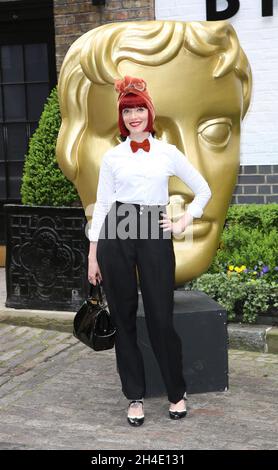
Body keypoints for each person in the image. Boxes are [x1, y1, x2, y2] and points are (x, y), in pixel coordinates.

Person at [87, 75, 212, 427]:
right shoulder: (112, 157)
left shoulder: (167, 153)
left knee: (160, 316)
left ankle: (176, 393)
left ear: (149, 113)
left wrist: (184, 220)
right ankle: (135, 397)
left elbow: (203, 190)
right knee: (124, 318)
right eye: (127, 111)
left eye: (139, 109)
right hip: (117, 227)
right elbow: (103, 204)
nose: (134, 116)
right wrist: (93, 254)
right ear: (121, 118)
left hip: (154, 228)